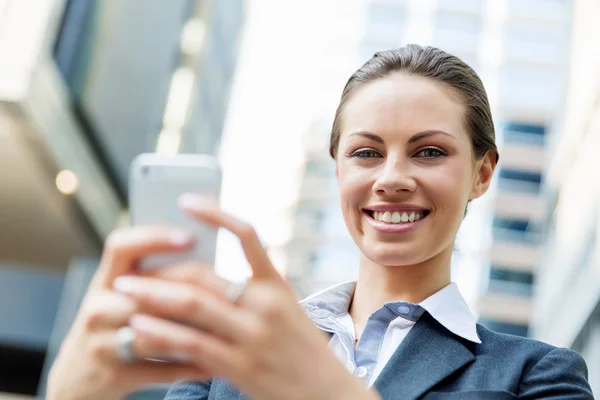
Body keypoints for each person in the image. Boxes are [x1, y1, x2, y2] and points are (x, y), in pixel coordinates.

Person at [47, 45, 594, 400]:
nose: (392, 178)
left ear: (482, 173)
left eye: (429, 152)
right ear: (336, 168)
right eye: (365, 153)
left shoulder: (534, 377)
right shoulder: (228, 357)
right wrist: (73, 392)